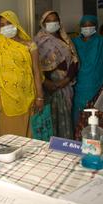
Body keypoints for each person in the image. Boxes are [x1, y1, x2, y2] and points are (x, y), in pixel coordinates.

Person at [0, 10, 44, 139]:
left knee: (26, 134)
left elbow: (36, 71)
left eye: (9, 23)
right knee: (6, 133)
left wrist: (40, 96)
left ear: (16, 23)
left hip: (26, 95)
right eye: (2, 25)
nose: (6, 27)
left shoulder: (30, 45)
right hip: (3, 95)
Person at [34, 10, 79, 139]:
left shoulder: (66, 40)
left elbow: (75, 61)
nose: (52, 23)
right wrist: (47, 83)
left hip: (65, 85)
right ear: (43, 23)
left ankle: (64, 149)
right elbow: (35, 66)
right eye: (48, 21)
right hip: (47, 87)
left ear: (59, 22)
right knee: (50, 120)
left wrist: (64, 81)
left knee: (65, 118)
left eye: (54, 20)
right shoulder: (37, 41)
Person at [72, 15, 103, 140]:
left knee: (97, 119)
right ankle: (79, 143)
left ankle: (96, 145)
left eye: (90, 25)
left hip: (98, 86)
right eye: (84, 25)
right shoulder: (74, 42)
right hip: (79, 86)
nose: (87, 28)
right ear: (80, 27)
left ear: (96, 26)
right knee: (78, 116)